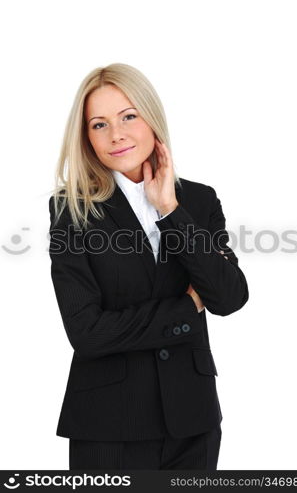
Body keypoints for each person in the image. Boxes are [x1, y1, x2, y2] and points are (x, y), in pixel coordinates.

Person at [48, 62, 249, 470]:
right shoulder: (71, 211)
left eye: (128, 116)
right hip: (108, 425)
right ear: (86, 138)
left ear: (151, 118)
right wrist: (185, 309)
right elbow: (86, 333)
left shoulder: (198, 201)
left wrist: (171, 211)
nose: (116, 134)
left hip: (193, 422)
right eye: (99, 124)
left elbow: (228, 297)